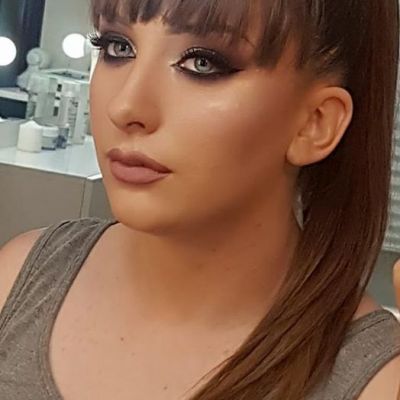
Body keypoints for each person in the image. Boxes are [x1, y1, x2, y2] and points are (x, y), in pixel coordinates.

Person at [1, 0, 400, 399]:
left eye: (202, 63)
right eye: (117, 47)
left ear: (315, 123)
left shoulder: (375, 384)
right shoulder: (20, 276)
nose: (125, 107)